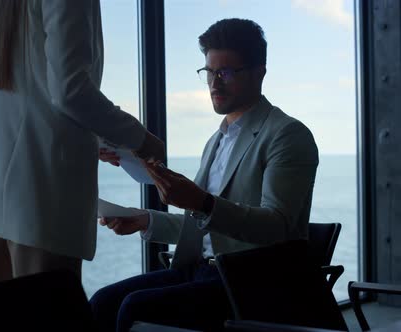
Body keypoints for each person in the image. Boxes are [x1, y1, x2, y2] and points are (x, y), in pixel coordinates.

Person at [91, 18, 319, 332]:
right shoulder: (217, 140)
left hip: (252, 282)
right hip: (205, 271)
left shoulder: (287, 135)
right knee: (103, 301)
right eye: (209, 72)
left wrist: (203, 202)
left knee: (135, 308)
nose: (215, 83)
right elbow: (206, 228)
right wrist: (145, 220)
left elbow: (277, 227)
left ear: (259, 73)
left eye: (226, 72)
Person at [0, 0, 164, 288]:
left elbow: (22, 87)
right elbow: (71, 91)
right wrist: (141, 139)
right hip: (41, 190)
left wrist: (93, 136)